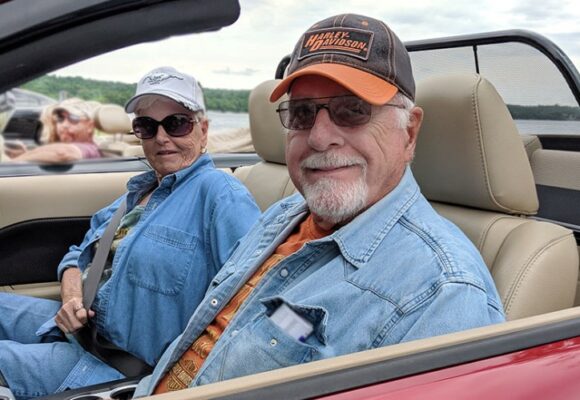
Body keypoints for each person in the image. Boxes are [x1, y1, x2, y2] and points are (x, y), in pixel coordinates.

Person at [133, 14, 505, 397]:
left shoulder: (444, 295)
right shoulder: (285, 215)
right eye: (302, 114)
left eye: (353, 110)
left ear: (409, 132)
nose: (320, 136)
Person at [0, 66, 261, 399]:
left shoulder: (220, 195)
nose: (162, 137)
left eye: (177, 123)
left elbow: (248, 302)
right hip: (79, 331)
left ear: (203, 130)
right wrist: (71, 296)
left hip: (116, 369)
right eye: (147, 126)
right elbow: (76, 252)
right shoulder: (138, 193)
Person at [7, 98, 102, 163]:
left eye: (73, 118)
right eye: (60, 118)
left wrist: (12, 164)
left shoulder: (91, 148)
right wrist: (26, 154)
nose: (64, 125)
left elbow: (62, 153)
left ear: (90, 126)